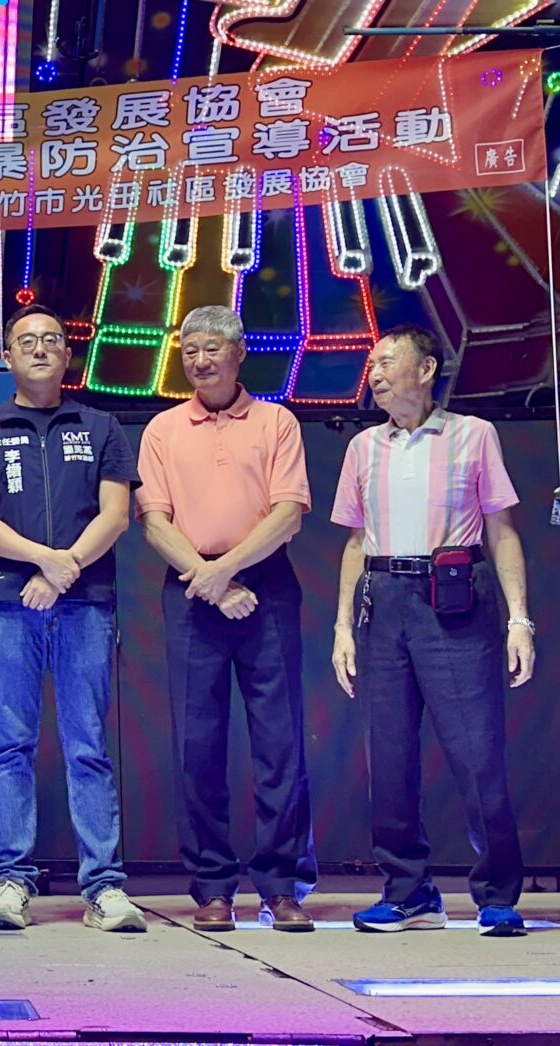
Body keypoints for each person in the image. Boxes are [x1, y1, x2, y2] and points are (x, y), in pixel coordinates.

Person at [330, 324, 534, 938]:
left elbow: (501, 531)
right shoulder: (363, 446)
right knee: (388, 755)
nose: (375, 372)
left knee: (476, 751)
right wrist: (342, 627)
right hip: (383, 599)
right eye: (371, 363)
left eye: (386, 361)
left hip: (454, 597)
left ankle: (497, 894)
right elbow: (356, 542)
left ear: (425, 369)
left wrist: (519, 619)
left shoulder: (474, 433)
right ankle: (408, 892)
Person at [0, 305, 145, 933]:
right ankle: (12, 881)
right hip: (9, 603)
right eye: (26, 341)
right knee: (12, 744)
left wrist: (65, 569)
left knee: (88, 744)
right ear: (6, 356)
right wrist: (45, 561)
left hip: (86, 603)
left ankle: (104, 887)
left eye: (52, 339)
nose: (40, 348)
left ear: (68, 354)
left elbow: (116, 515)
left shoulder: (101, 426)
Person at [136, 304, 317, 932]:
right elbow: (154, 522)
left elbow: (288, 513)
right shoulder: (162, 428)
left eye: (212, 348)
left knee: (280, 743)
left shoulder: (276, 421)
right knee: (197, 745)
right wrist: (209, 580)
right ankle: (212, 886)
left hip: (266, 585)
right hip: (191, 588)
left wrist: (228, 571)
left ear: (240, 353)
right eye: (189, 350)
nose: (200, 360)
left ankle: (281, 885)